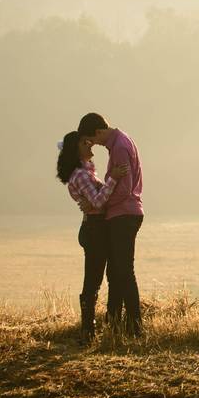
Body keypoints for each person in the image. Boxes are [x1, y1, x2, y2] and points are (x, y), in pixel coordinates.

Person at [56, 131, 128, 344]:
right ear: (76, 148)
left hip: (96, 227)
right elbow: (97, 202)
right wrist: (114, 177)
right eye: (85, 143)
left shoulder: (85, 172)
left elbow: (94, 202)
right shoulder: (80, 175)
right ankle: (88, 331)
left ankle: (93, 328)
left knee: (97, 279)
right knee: (93, 281)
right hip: (95, 230)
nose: (91, 145)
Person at [77, 112, 145, 336]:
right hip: (122, 213)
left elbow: (124, 188)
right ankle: (116, 322)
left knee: (124, 271)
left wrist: (100, 206)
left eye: (92, 139)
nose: (92, 145)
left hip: (123, 214)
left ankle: (134, 326)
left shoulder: (119, 147)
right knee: (116, 272)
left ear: (98, 132)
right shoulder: (120, 143)